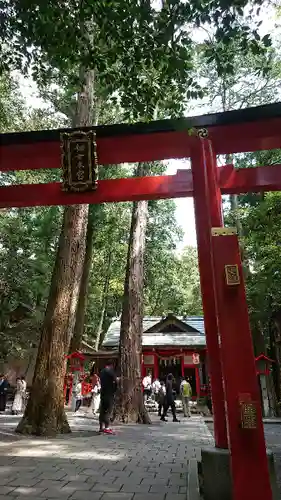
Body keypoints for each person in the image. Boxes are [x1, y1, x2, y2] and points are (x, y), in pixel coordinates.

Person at [99, 363, 117, 434]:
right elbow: (115, 381)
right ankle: (107, 427)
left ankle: (101, 427)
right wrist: (115, 389)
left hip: (103, 393)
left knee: (102, 411)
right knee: (108, 411)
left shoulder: (102, 372)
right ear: (111, 365)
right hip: (109, 394)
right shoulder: (111, 372)